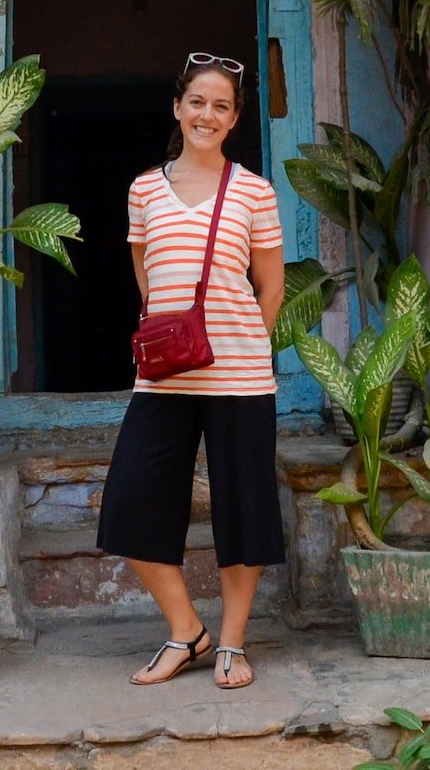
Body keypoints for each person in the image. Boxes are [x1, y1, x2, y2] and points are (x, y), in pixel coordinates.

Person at [96, 52, 286, 690]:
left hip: (240, 377)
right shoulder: (143, 189)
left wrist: (243, 344)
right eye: (198, 102)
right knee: (130, 501)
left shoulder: (254, 191)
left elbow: (272, 287)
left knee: (243, 510)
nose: (208, 114)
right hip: (165, 376)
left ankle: (231, 642)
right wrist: (166, 333)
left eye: (222, 106)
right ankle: (187, 632)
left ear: (234, 120)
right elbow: (145, 273)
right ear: (178, 108)